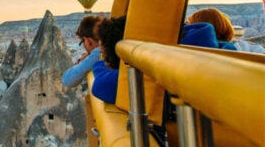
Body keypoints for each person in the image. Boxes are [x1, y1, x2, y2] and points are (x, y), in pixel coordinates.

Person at [91, 14, 233, 104]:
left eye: (105, 54)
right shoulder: (220, 50)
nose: (105, 60)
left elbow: (102, 86)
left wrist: (99, 66)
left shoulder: (162, 64)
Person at [91, 16, 126, 104]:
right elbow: (99, 64)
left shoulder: (125, 77)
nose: (100, 50)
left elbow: (99, 86)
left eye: (103, 53)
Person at [62, 15, 103, 87]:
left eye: (82, 42)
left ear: (88, 41)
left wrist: (82, 62)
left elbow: (67, 80)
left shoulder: (98, 53)